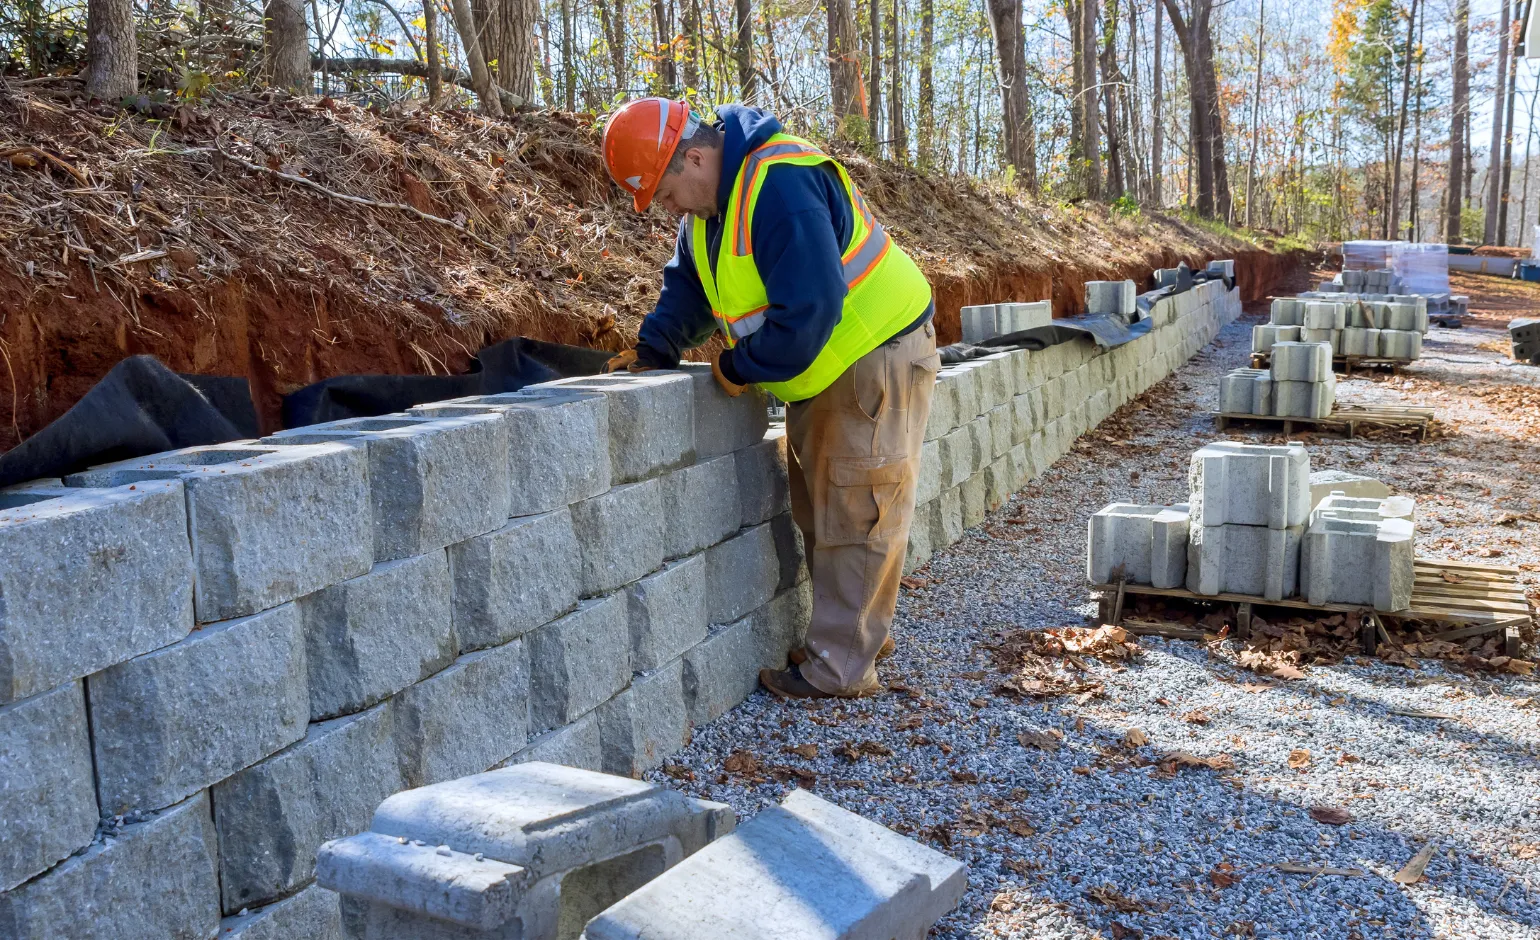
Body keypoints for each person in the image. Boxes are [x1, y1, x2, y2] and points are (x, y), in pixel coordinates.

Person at [601, 98, 937, 700]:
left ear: (697, 158)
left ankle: (841, 670)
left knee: (858, 511)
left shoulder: (777, 185)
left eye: (667, 192)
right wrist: (655, 347)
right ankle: (854, 639)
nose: (667, 209)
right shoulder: (708, 211)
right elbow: (691, 287)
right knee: (827, 511)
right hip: (824, 367)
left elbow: (809, 310)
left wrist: (740, 364)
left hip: (874, 353)